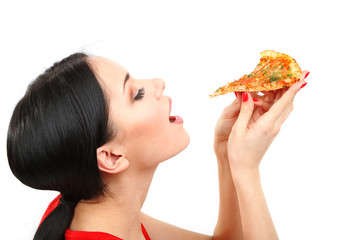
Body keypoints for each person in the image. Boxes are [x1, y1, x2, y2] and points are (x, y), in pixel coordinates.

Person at [7, 52, 309, 240]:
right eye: (136, 94)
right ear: (111, 156)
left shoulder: (100, 211)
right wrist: (247, 170)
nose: (158, 82)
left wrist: (227, 157)